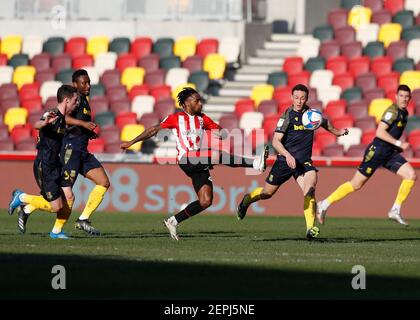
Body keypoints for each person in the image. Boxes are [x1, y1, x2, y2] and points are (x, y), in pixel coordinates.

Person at [120, 87, 268, 241]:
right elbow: (153, 130)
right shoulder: (175, 118)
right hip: (186, 158)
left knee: (206, 201)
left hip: (199, 160)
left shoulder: (202, 118)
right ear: (186, 103)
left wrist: (220, 132)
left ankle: (173, 221)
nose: (200, 103)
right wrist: (131, 142)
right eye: (197, 100)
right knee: (216, 155)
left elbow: (221, 132)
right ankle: (256, 163)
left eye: (200, 100)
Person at [236, 84, 349, 239]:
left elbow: (324, 122)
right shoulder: (287, 116)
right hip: (284, 161)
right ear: (291, 98)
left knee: (310, 188)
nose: (299, 101)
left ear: (307, 99)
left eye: (302, 98)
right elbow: (276, 141)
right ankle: (246, 201)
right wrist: (288, 156)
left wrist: (338, 132)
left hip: (303, 163)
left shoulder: (311, 114)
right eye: (296, 97)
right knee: (267, 193)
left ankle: (310, 229)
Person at [317, 85, 416, 226]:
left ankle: (395, 209)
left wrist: (396, 147)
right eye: (401, 95)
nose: (404, 99)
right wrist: (399, 143)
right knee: (356, 184)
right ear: (396, 96)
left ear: (410, 98)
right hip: (377, 152)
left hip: (389, 153)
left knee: (411, 175)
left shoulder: (404, 113)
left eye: (407, 96)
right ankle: (324, 204)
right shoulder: (392, 111)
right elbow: (380, 132)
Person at [8, 85, 79, 239]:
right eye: (75, 101)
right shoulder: (52, 113)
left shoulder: (63, 119)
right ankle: (22, 198)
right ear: (66, 100)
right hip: (45, 165)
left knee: (69, 197)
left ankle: (56, 231)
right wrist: (44, 122)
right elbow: (37, 124)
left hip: (57, 165)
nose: (76, 104)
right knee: (56, 207)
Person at [60, 69, 110, 236]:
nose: (88, 86)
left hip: (82, 151)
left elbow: (78, 125)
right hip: (70, 150)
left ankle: (83, 219)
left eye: (89, 82)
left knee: (103, 182)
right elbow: (62, 118)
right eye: (84, 83)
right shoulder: (74, 100)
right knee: (62, 197)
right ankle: (26, 201)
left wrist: (88, 131)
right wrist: (83, 124)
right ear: (75, 84)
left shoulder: (85, 101)